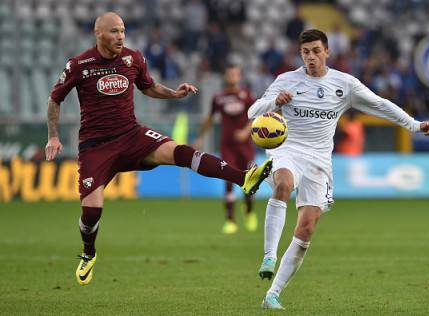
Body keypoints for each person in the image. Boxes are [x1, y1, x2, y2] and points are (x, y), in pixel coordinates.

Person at [44, 12, 272, 286]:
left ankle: (243, 178)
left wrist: (174, 94)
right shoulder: (80, 64)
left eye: (123, 31)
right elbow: (55, 99)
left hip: (132, 136)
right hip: (96, 147)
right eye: (114, 31)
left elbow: (148, 87)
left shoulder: (133, 58)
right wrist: (53, 136)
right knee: (91, 213)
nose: (120, 37)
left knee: (181, 152)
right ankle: (89, 253)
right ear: (99, 34)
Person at [248, 29, 429, 310]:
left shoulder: (344, 84)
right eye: (305, 52)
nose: (310, 57)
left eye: (315, 51)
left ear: (327, 52)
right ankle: (269, 255)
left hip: (319, 160)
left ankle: (272, 294)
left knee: (307, 227)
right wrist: (275, 102)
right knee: (283, 184)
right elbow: (253, 112)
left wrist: (414, 125)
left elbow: (379, 105)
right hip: (287, 149)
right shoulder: (285, 81)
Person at [194, 64, 257, 234]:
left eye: (235, 74)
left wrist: (245, 132)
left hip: (245, 145)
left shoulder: (247, 96)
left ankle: (249, 211)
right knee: (228, 179)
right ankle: (230, 220)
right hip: (227, 146)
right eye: (229, 74)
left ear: (239, 76)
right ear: (225, 77)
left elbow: (256, 117)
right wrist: (200, 137)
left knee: (249, 180)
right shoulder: (218, 98)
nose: (232, 77)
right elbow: (209, 118)